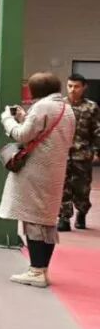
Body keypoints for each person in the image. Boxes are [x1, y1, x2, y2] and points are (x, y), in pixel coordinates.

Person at [0, 72, 76, 288]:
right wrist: (25, 117)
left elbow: (22, 135)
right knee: (47, 221)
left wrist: (7, 119)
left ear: (34, 90)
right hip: (55, 170)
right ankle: (42, 269)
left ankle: (35, 271)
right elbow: (45, 132)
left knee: (32, 220)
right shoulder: (66, 108)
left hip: (35, 171)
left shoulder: (42, 107)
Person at [58, 73, 99, 231]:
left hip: (82, 154)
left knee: (82, 188)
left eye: (76, 86)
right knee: (62, 186)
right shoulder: (60, 105)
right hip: (62, 153)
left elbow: (97, 130)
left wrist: (97, 151)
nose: (72, 90)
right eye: (70, 86)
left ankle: (82, 212)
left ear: (84, 87)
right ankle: (64, 217)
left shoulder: (91, 107)